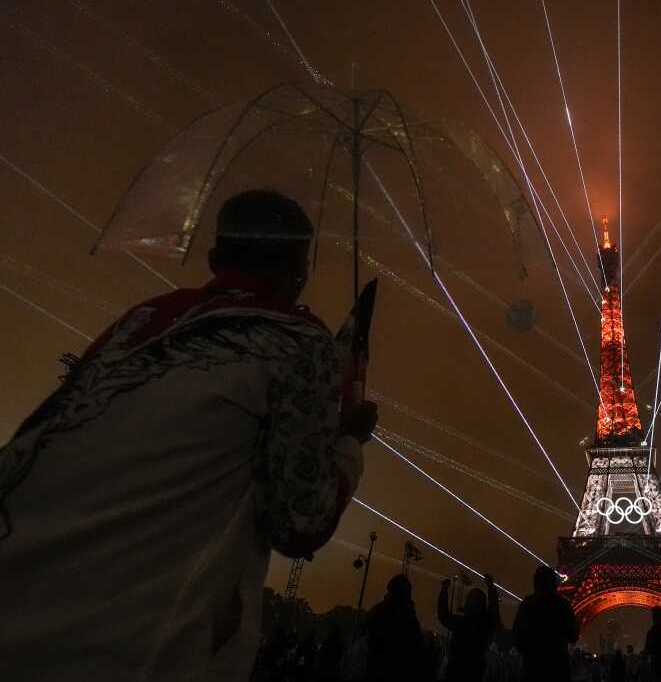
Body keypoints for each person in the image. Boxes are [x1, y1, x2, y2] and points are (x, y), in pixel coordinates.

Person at [0, 190, 375, 681]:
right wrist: (347, 444)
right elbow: (301, 521)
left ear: (216, 258)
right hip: (129, 644)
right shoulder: (300, 343)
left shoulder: (138, 321)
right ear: (300, 268)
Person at [512, 565, 579, 682]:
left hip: (533, 667)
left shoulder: (527, 604)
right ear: (554, 583)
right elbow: (573, 636)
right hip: (557, 667)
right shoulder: (563, 605)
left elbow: (517, 634)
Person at [438, 573, 501, 681]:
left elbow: (444, 615)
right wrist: (491, 588)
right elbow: (493, 612)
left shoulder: (461, 623)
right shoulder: (484, 624)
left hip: (455, 671)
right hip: (474, 672)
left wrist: (444, 591)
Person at [364, 573, 426, 681]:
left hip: (376, 668)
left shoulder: (378, 610)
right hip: (399, 671)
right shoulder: (409, 616)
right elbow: (417, 645)